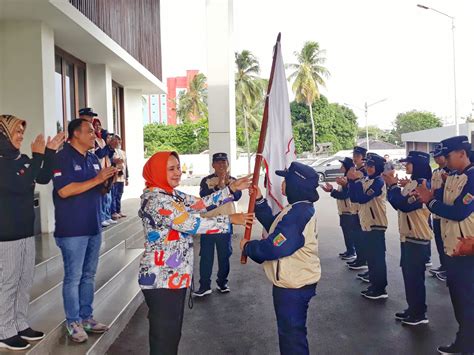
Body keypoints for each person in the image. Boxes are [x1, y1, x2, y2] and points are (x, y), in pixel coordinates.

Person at [138, 151, 253, 355]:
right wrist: (229, 220)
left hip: (173, 277)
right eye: (171, 169)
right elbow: (190, 224)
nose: (177, 173)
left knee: (171, 334)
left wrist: (231, 188)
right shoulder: (156, 200)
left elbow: (199, 204)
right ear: (157, 171)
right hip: (161, 280)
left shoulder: (170, 194)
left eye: (178, 167)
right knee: (164, 336)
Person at [241, 161, 321, 355]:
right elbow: (275, 228)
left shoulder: (299, 214)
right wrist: (259, 201)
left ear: (296, 184)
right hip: (293, 282)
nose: (282, 184)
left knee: (292, 336)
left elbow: (277, 246)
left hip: (294, 287)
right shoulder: (296, 209)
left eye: (286, 179)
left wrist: (249, 248)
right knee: (289, 333)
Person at [0, 115, 64, 351]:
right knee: (8, 282)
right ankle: (4, 330)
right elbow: (18, 184)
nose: (21, 137)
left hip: (26, 231)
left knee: (24, 279)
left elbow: (42, 177)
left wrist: (49, 152)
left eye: (21, 133)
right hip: (5, 235)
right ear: (3, 135)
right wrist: (38, 156)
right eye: (16, 132)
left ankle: (19, 323)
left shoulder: (21, 159)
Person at [52, 118, 117, 343]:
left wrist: (107, 180)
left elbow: (97, 189)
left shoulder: (92, 158)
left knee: (88, 276)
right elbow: (64, 191)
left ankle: (86, 317)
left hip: (93, 225)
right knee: (74, 277)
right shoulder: (62, 157)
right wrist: (97, 178)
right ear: (75, 134)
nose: (94, 135)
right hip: (72, 230)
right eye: (90, 131)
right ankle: (73, 321)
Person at [415, 135, 474, 355]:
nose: (444, 161)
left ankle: (468, 345)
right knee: (459, 300)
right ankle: (464, 340)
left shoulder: (472, 177)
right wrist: (430, 198)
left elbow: (459, 212)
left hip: (468, 250)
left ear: (462, 153)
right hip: (453, 248)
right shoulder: (452, 176)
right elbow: (439, 201)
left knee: (468, 301)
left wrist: (429, 201)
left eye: (447, 156)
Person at [384, 151, 433, 326]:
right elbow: (398, 203)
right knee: (409, 277)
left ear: (418, 164)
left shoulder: (422, 185)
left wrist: (392, 187)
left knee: (415, 278)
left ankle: (419, 313)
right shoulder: (413, 183)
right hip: (409, 236)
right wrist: (395, 189)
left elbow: (404, 205)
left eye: (409, 163)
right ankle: (413, 309)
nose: (405, 166)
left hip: (417, 237)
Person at [193, 153, 242, 296]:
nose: (221, 165)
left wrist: (226, 186)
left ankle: (222, 282)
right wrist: (217, 187)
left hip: (226, 222)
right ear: (213, 165)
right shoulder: (206, 180)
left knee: (224, 254)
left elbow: (237, 196)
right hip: (208, 223)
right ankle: (204, 285)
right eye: (218, 162)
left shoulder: (233, 181)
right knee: (206, 255)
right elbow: (203, 196)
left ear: (228, 164)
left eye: (224, 162)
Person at [348, 153, 388, 300]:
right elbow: (353, 197)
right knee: (371, 258)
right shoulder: (366, 180)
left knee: (377, 258)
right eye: (367, 166)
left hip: (376, 223)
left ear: (377, 167)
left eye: (371, 166)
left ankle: (380, 288)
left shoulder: (378, 182)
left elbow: (363, 198)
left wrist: (356, 181)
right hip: (366, 223)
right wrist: (352, 182)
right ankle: (374, 285)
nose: (368, 168)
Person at [321, 157, 357, 261]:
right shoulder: (344, 178)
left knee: (349, 232)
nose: (341, 167)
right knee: (346, 231)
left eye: (342, 165)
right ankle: (349, 250)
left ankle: (352, 251)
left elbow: (344, 195)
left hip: (349, 210)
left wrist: (332, 191)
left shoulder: (349, 180)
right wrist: (332, 190)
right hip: (343, 209)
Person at [428, 145, 450, 282]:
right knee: (439, 241)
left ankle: (449, 269)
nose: (436, 158)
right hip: (435, 213)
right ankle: (443, 265)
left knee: (447, 242)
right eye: (434, 156)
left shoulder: (450, 173)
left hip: (445, 213)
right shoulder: (436, 172)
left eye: (439, 155)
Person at [346, 146, 369, 272]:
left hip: (361, 208)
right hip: (354, 207)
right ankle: (359, 257)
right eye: (354, 156)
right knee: (356, 234)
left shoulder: (364, 171)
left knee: (360, 235)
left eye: (357, 156)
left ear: (363, 157)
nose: (354, 159)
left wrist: (352, 178)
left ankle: (362, 259)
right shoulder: (355, 170)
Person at [92, 119, 115, 227]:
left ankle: (107, 216)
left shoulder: (102, 139)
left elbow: (108, 155)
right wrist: (107, 146)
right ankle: (101, 217)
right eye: (95, 125)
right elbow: (100, 154)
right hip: (100, 170)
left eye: (99, 125)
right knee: (102, 195)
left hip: (107, 168)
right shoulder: (95, 140)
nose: (98, 127)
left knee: (108, 196)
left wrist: (110, 147)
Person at [111, 135, 128, 220]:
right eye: (115, 140)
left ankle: (119, 210)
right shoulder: (112, 151)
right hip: (115, 176)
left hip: (122, 176)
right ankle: (114, 212)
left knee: (120, 194)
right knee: (114, 194)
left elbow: (126, 165)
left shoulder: (123, 152)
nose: (117, 142)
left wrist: (127, 178)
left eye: (118, 140)